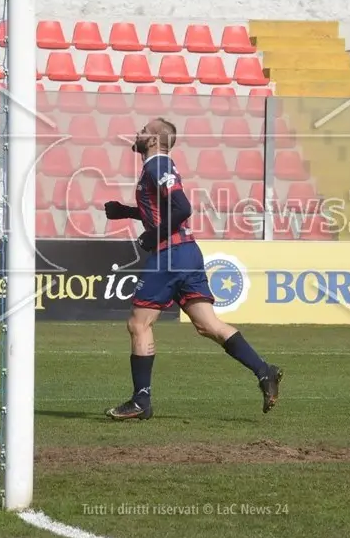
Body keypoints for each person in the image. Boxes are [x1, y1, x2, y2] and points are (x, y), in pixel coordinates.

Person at [102, 117, 282, 420]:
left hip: (170, 255)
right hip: (187, 252)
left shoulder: (156, 166)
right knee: (208, 325)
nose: (138, 132)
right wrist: (128, 212)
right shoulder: (158, 168)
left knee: (139, 324)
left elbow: (182, 208)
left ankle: (141, 401)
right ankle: (265, 371)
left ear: (156, 140)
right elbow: (164, 210)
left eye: (145, 130)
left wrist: (153, 235)